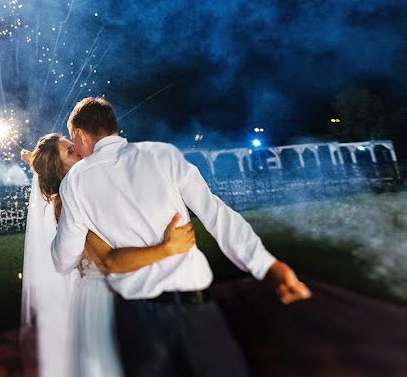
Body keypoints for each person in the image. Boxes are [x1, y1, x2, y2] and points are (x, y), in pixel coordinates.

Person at [52, 97, 312, 376]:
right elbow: (216, 214)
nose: (76, 150)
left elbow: (64, 259)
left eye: (73, 140)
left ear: (80, 134)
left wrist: (83, 229)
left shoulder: (74, 182)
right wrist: (266, 265)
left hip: (138, 320)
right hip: (197, 309)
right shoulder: (162, 155)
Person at [21, 134, 197, 377]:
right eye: (71, 153)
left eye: (73, 146)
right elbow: (106, 260)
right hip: (103, 297)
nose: (80, 151)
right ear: (58, 170)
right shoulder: (66, 201)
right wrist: (165, 247)